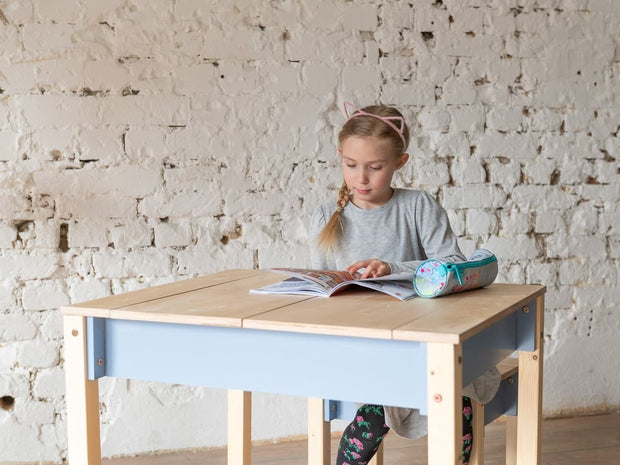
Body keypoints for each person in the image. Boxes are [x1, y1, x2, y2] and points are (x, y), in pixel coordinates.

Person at [309, 102, 499, 465]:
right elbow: (321, 286)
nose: (361, 179)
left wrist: (391, 267)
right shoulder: (325, 215)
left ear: (400, 162)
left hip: (421, 342)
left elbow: (454, 264)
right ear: (340, 157)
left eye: (375, 168)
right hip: (361, 344)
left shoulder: (418, 206)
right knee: (377, 401)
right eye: (351, 166)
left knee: (450, 391)